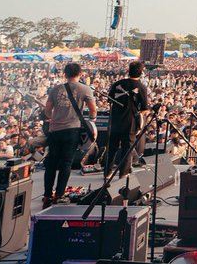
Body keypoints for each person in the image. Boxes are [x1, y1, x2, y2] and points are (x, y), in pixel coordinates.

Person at [42, 62, 96, 208]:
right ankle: (59, 195)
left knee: (51, 163)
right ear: (80, 73)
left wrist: (52, 118)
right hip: (72, 129)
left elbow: (47, 110)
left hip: (55, 130)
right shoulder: (85, 89)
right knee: (66, 163)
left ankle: (47, 195)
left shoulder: (55, 89)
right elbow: (93, 110)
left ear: (65, 74)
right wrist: (92, 121)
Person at [104, 60, 149, 176]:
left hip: (115, 120)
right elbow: (144, 108)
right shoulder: (141, 87)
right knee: (127, 149)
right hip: (131, 122)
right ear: (141, 73)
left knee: (112, 147)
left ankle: (107, 172)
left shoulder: (117, 84)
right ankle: (123, 173)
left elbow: (110, 100)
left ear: (128, 71)